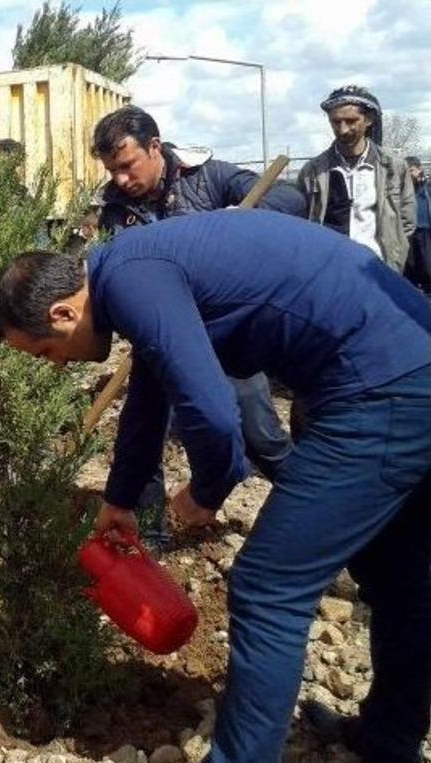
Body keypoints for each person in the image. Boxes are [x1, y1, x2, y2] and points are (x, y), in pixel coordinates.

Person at [0, 209, 431, 763]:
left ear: (64, 312)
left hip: (380, 389)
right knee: (398, 576)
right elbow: (150, 393)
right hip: (406, 365)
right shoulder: (130, 270)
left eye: (45, 350)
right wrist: (120, 499)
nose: (56, 364)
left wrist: (207, 489)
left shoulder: (133, 278)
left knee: (268, 585)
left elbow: (213, 413)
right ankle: (389, 745)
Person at [91, 105, 305, 548]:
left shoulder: (208, 176)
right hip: (166, 338)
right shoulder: (114, 209)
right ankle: (150, 535)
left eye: (127, 166)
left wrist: (237, 223)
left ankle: (311, 514)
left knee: (259, 434)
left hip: (226, 338)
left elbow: (291, 200)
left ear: (155, 148)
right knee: (144, 430)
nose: (120, 180)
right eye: (112, 170)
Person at [297, 85, 415, 272]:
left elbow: (407, 222)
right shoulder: (313, 171)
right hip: (330, 269)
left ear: (368, 120)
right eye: (336, 122)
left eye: (351, 121)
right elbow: (303, 222)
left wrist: (395, 256)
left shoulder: (394, 167)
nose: (343, 129)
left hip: (379, 270)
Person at [404, 156, 431, 294]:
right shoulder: (404, 187)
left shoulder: (426, 187)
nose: (409, 174)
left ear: (419, 169)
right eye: (406, 171)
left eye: (412, 170)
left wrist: (422, 181)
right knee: (410, 265)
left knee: (427, 264)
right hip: (409, 231)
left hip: (425, 230)